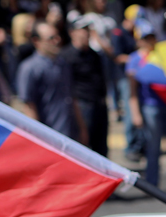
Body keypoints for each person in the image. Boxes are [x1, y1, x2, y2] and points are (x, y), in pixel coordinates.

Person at [128, 20, 166, 193]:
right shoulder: (134, 60)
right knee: (153, 147)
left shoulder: (164, 53)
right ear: (138, 40)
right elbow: (132, 92)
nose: (149, 41)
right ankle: (153, 185)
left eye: (151, 37)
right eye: (145, 38)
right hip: (151, 108)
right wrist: (135, 114)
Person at [17, 21, 86, 141]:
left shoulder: (63, 64)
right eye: (51, 38)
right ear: (36, 41)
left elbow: (72, 98)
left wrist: (82, 128)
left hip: (70, 133)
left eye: (57, 36)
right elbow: (29, 106)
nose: (57, 40)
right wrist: (39, 138)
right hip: (50, 137)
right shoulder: (29, 68)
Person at [60, 16, 111, 158]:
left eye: (87, 30)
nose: (86, 33)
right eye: (82, 30)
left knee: (101, 149)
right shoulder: (66, 56)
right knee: (83, 149)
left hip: (99, 104)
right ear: (72, 32)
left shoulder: (94, 55)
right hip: (82, 106)